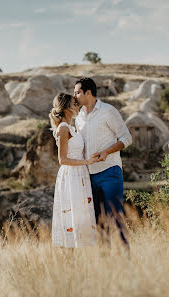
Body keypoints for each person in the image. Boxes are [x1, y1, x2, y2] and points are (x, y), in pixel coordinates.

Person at [73, 77, 132, 246]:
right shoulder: (79, 118)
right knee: (98, 222)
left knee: (116, 217)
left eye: (77, 92)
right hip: (89, 176)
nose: (74, 96)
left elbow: (127, 138)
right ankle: (106, 265)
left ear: (88, 93)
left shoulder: (108, 111)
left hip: (110, 171)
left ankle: (125, 262)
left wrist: (107, 151)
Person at [50, 93, 99, 248]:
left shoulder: (72, 127)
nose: (77, 105)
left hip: (80, 174)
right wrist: (87, 161)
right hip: (71, 175)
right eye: (74, 103)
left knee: (82, 215)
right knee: (73, 215)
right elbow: (62, 159)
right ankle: (70, 258)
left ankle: (82, 257)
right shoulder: (63, 129)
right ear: (66, 107)